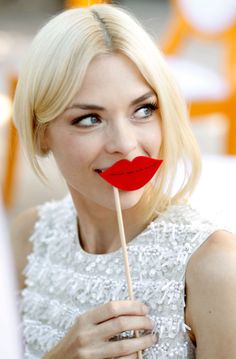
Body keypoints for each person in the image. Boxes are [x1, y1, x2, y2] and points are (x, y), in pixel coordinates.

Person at [12, 3, 236, 359]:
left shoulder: (215, 268)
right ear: (41, 135)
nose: (126, 145)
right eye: (89, 119)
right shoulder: (27, 239)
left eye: (143, 110)